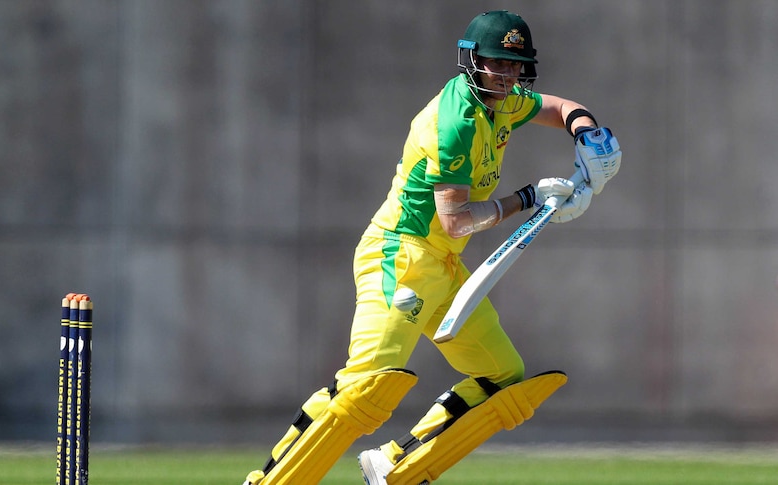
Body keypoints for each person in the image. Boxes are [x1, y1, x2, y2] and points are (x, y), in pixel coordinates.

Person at [242, 10, 621, 485]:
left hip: (442, 264)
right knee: (366, 389)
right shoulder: (454, 123)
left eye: (514, 65)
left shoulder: (503, 101)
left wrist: (588, 132)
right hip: (400, 255)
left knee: (502, 378)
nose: (505, 75)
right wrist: (527, 199)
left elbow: (560, 107)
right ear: (472, 61)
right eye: (496, 63)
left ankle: (395, 463)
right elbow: (457, 221)